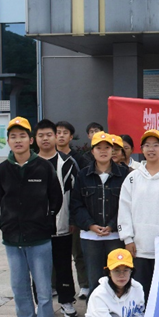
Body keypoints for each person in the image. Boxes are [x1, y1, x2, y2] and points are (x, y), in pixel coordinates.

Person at [0, 116, 63, 317]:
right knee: (19, 285)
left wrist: (46, 220)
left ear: (30, 140)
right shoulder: (2, 169)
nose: (18, 141)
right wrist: (5, 224)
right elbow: (0, 200)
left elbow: (56, 198)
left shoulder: (43, 167)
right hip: (12, 238)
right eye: (13, 137)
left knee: (43, 285)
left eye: (22, 136)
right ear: (8, 141)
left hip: (39, 237)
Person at [118, 129, 159, 302]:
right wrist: (128, 238)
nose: (151, 149)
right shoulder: (133, 177)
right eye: (147, 145)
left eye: (156, 145)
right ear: (141, 149)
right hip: (139, 246)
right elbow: (124, 209)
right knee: (140, 292)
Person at [71, 132, 128, 293]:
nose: (103, 151)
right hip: (90, 237)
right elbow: (76, 205)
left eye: (107, 148)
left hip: (116, 236)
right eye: (99, 148)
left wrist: (112, 225)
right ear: (92, 151)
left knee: (118, 279)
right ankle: (94, 308)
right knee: (94, 280)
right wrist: (90, 225)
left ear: (112, 150)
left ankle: (117, 307)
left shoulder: (124, 174)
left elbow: (128, 205)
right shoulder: (83, 175)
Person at [34, 119, 78, 317]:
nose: (45, 139)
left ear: (55, 137)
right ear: (35, 139)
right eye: (41, 135)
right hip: (36, 227)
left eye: (49, 135)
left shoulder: (67, 163)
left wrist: (73, 220)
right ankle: (41, 304)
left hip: (62, 224)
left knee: (63, 264)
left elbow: (75, 194)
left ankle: (66, 301)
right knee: (38, 267)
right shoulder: (30, 163)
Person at [56, 120, 90, 299]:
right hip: (55, 215)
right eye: (58, 132)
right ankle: (54, 285)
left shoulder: (79, 159)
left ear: (71, 137)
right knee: (56, 253)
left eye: (64, 133)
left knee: (78, 252)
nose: (61, 136)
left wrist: (76, 217)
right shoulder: (48, 158)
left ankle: (84, 285)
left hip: (74, 214)